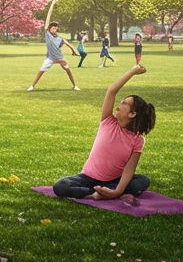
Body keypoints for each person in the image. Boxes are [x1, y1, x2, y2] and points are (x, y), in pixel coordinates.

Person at [52, 65, 155, 204]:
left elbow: (129, 170)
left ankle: (112, 193)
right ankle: (96, 193)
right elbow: (112, 90)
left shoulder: (138, 141)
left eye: (124, 103)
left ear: (132, 113)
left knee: (143, 180)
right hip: (88, 178)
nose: (119, 103)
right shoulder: (108, 121)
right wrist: (132, 71)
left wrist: (118, 190)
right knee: (60, 186)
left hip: (114, 181)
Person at [28, 0, 80, 91]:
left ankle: (75, 85)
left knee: (68, 71)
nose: (55, 28)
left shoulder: (60, 39)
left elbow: (69, 45)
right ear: (50, 28)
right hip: (50, 58)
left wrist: (74, 51)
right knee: (41, 71)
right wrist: (52, 4)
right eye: (53, 27)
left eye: (56, 27)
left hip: (60, 58)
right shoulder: (48, 34)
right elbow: (48, 18)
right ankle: (32, 86)